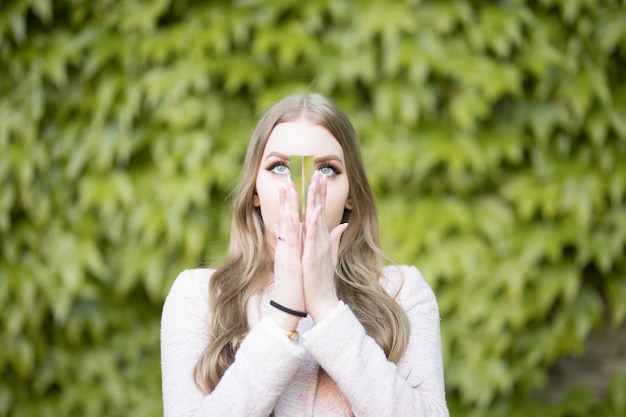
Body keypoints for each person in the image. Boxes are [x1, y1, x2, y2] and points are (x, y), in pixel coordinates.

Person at [160, 93, 449, 417]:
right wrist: (284, 312)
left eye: (326, 169)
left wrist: (328, 310)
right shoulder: (199, 296)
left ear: (351, 195)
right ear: (254, 191)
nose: (303, 188)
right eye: (280, 167)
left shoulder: (402, 291)